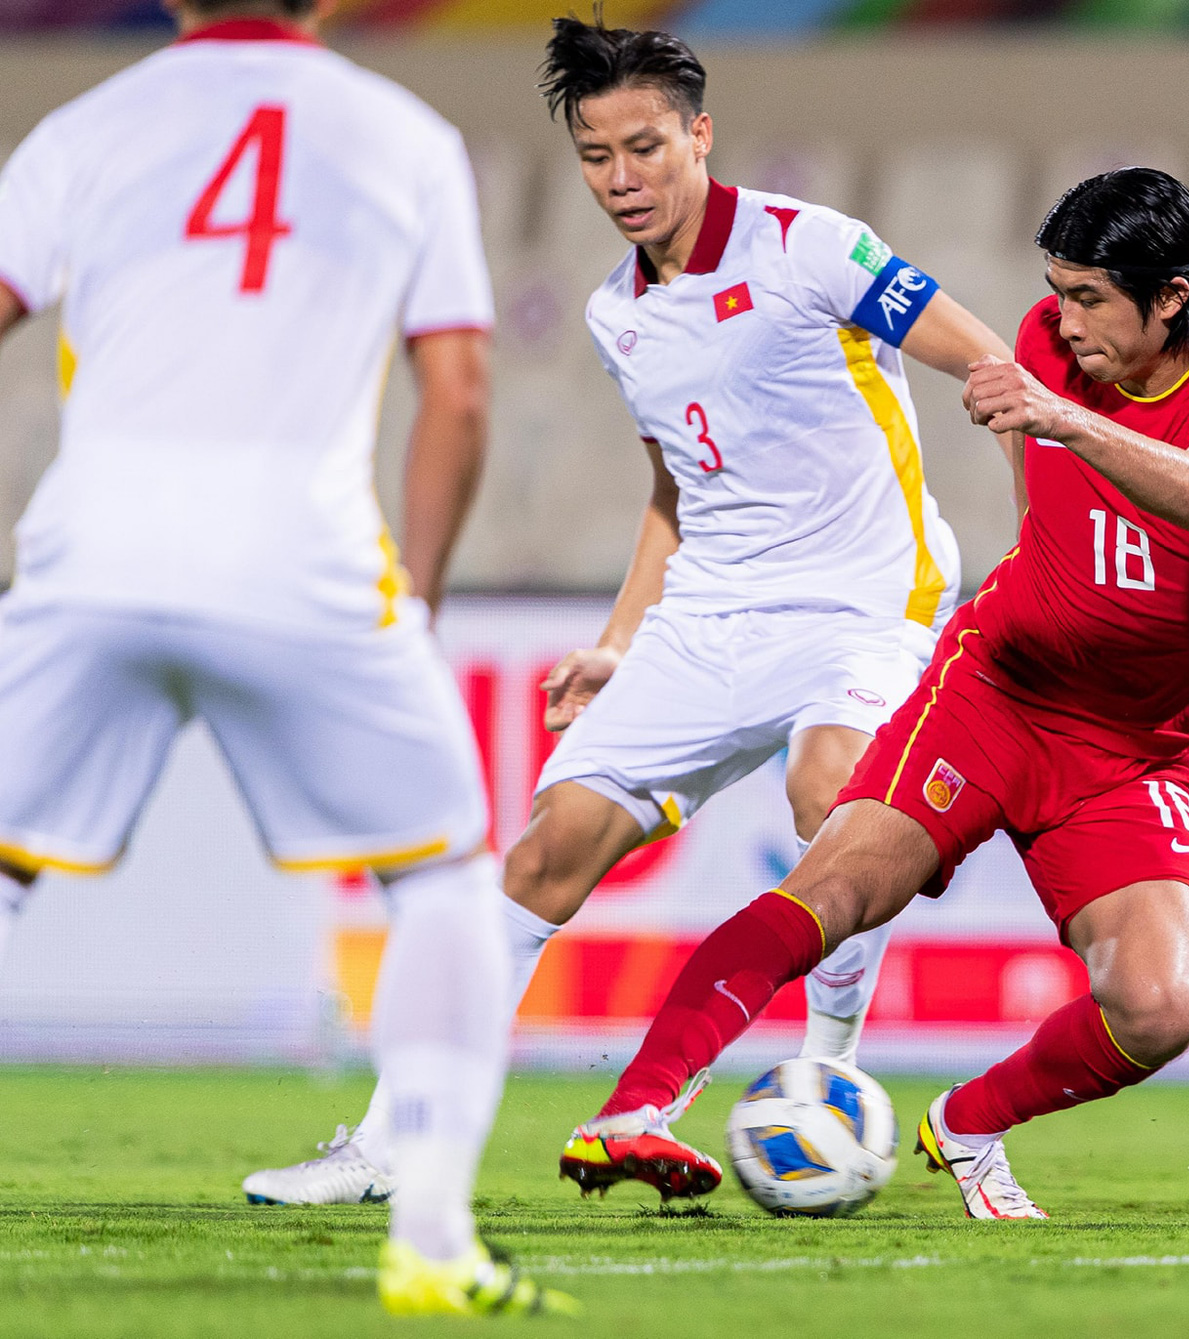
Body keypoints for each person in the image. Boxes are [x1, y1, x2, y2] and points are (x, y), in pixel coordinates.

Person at [242, 16, 1020, 1208]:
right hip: (708, 616)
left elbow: (992, 369)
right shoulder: (617, 315)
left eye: (645, 148)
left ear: (700, 135)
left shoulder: (816, 249)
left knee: (831, 797)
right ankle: (394, 1139)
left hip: (863, 598)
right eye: (596, 156)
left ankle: (826, 1064)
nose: (622, 180)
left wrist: (1039, 558)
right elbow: (676, 488)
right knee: (545, 851)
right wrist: (618, 637)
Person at [557, 166, 1189, 1219]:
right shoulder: (1050, 345)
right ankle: (634, 1110)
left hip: (1131, 747)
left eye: (1089, 297)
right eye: (1055, 290)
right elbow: (1041, 503)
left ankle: (965, 1125)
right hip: (996, 690)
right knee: (833, 889)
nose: (1060, 318)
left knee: (1159, 1006)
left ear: (1171, 296)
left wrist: (1069, 421)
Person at [0, 0, 567, 1316]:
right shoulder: (404, 136)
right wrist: (411, 603)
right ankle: (429, 1231)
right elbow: (462, 393)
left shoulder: (86, 125)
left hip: (98, 541)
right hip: (302, 551)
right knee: (442, 880)